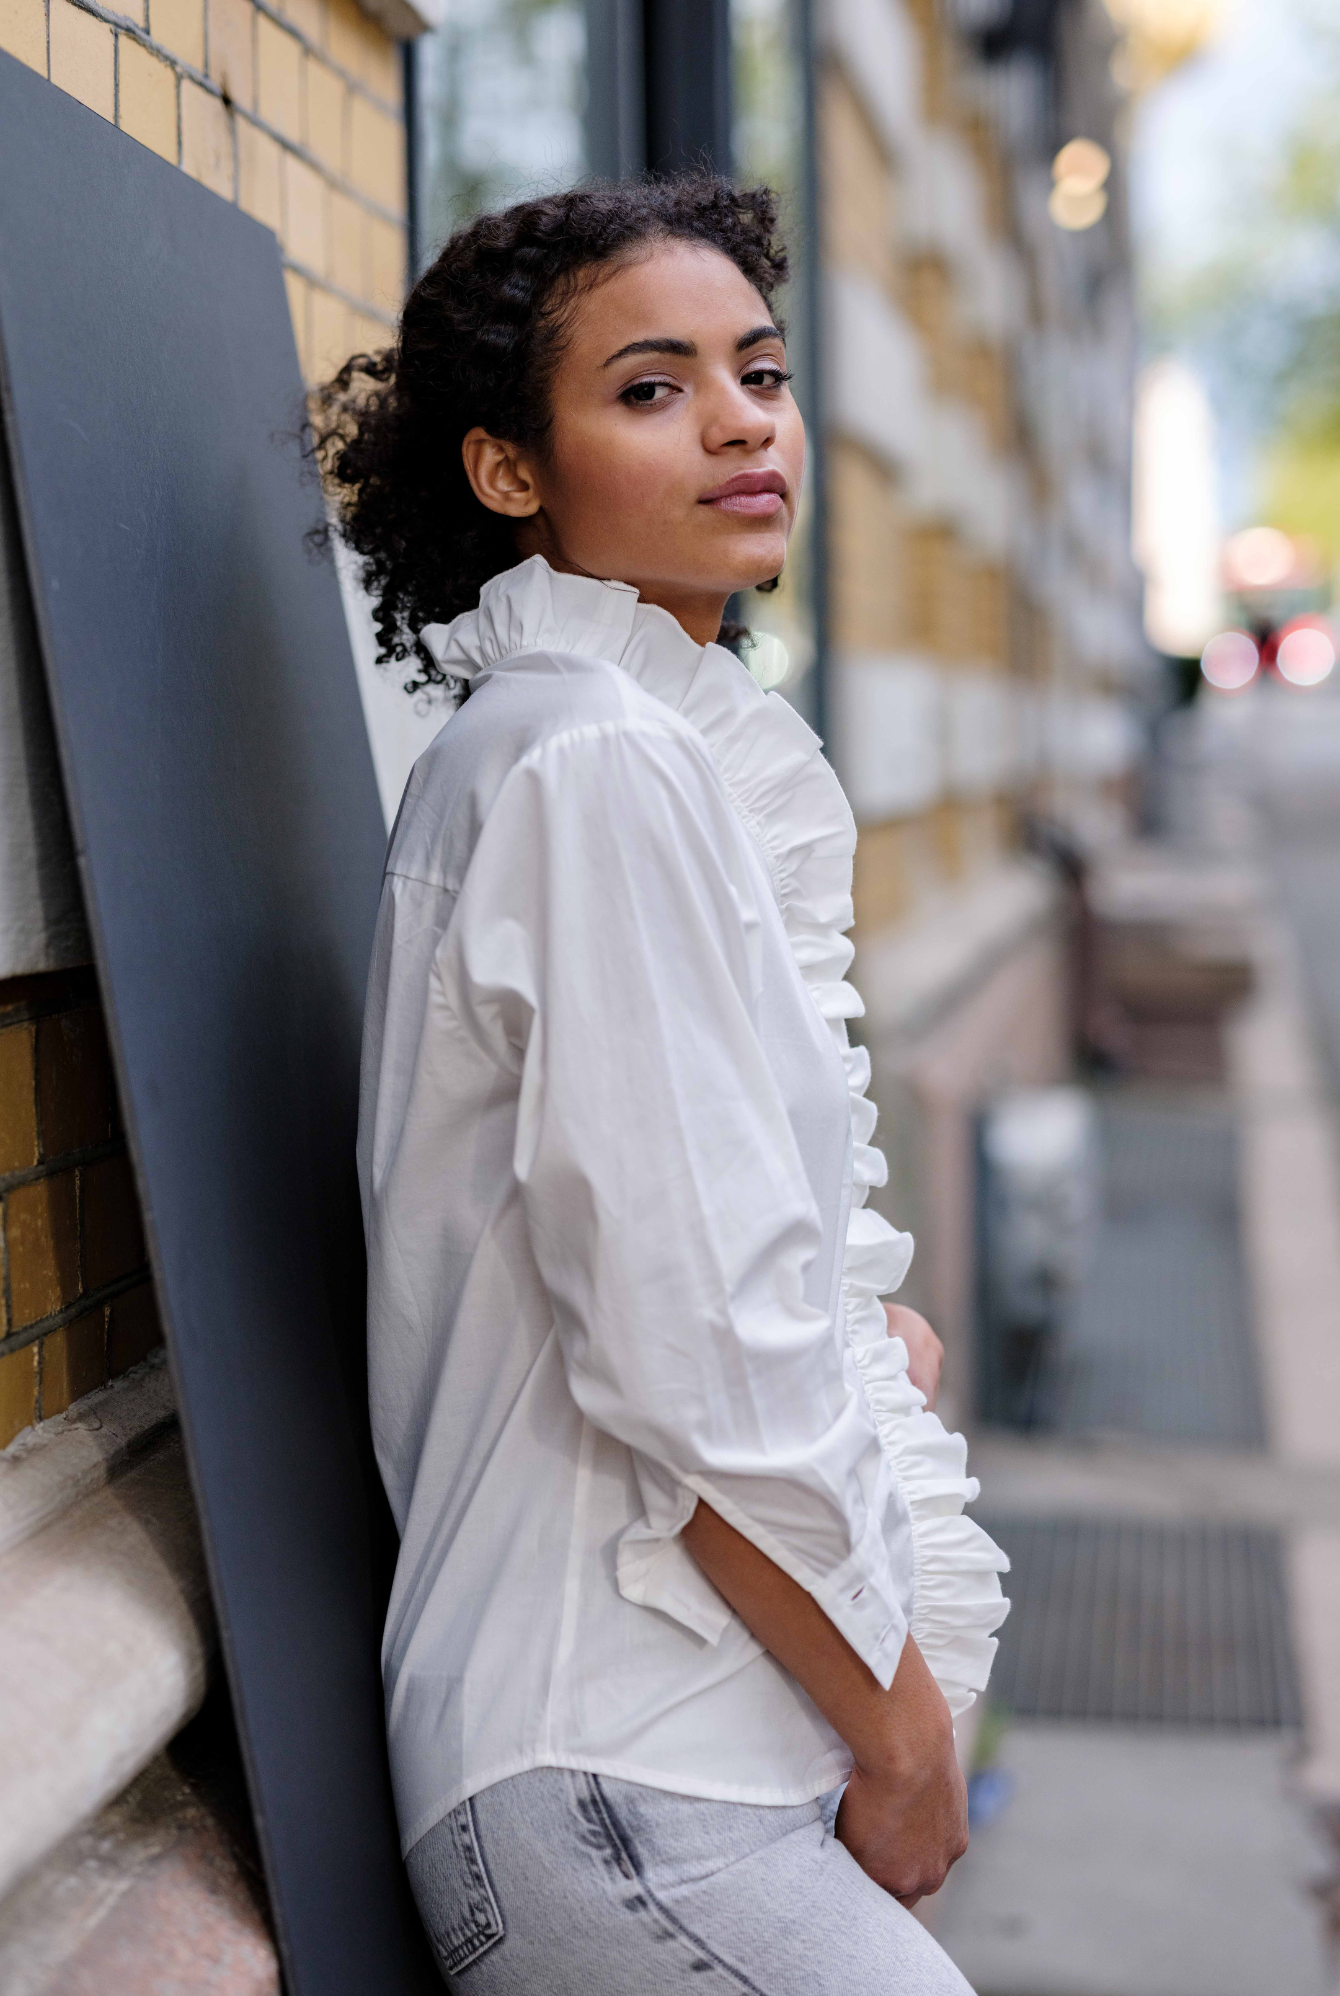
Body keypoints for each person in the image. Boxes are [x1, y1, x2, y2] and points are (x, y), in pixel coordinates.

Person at [313, 177, 1009, 1994]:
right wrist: (906, 1731)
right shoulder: (587, 767)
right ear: (505, 474)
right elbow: (688, 1343)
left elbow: (689, 1264)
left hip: (675, 1743)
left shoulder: (624, 755)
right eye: (649, 387)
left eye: (759, 372)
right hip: (625, 1754)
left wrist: (870, 1348)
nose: (737, 419)